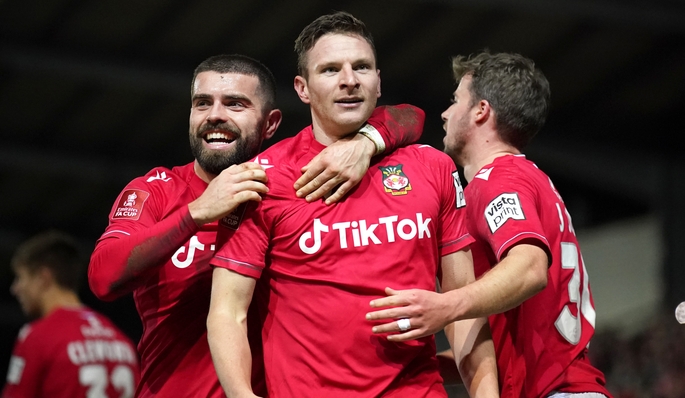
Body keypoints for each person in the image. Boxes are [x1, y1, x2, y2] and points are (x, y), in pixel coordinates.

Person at [87, 53, 424, 397]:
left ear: (271, 123)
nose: (215, 115)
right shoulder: (158, 190)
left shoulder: (293, 185)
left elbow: (410, 115)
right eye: (202, 103)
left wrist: (365, 143)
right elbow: (102, 278)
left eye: (235, 104)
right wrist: (197, 212)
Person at [207, 12, 498, 398]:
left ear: (378, 81)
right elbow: (228, 311)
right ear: (303, 88)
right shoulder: (262, 180)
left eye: (361, 67)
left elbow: (462, 307)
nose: (349, 80)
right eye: (330, 70)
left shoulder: (433, 167)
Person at [366, 51, 612, 397]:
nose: (445, 112)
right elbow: (500, 344)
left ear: (481, 111)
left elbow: (529, 267)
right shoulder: (526, 178)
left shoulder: (497, 179)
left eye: (455, 101)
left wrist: (444, 306)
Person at [2, 231, 139, 398]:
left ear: (43, 278)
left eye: (20, 278)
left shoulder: (38, 337)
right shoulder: (121, 340)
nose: (16, 288)